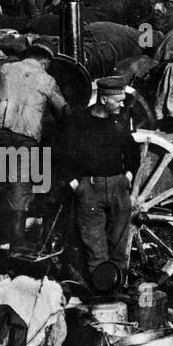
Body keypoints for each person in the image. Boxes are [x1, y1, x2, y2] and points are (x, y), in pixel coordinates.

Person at [0, 42, 67, 257]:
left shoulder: (7, 68)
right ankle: (17, 243)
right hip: (24, 138)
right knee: (20, 186)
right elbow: (63, 109)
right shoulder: (48, 80)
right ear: (45, 62)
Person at [61, 77, 140, 290]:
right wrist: (75, 184)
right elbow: (62, 153)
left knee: (119, 245)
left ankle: (117, 289)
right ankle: (101, 294)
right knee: (95, 247)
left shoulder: (119, 122)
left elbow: (132, 151)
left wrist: (128, 176)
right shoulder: (79, 122)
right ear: (103, 99)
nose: (122, 104)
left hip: (118, 188)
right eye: (118, 100)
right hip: (90, 190)